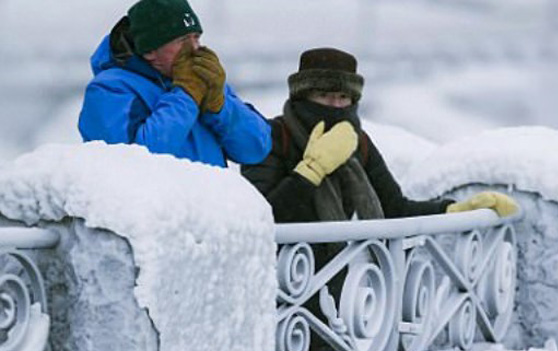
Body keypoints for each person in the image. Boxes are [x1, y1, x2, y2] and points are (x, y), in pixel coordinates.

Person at [240, 47, 517, 224]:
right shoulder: (273, 136)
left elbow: (394, 209)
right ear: (302, 97)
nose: (336, 106)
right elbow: (260, 218)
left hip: (344, 292)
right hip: (282, 287)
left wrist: (455, 211)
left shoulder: (358, 143)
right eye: (324, 96)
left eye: (343, 97)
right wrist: (312, 170)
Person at [78, 0, 271, 168]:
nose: (195, 48)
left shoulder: (202, 81)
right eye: (183, 40)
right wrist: (186, 95)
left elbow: (255, 149)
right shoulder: (110, 89)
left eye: (196, 37)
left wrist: (220, 106)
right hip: (155, 209)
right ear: (149, 50)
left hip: (209, 208)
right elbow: (133, 162)